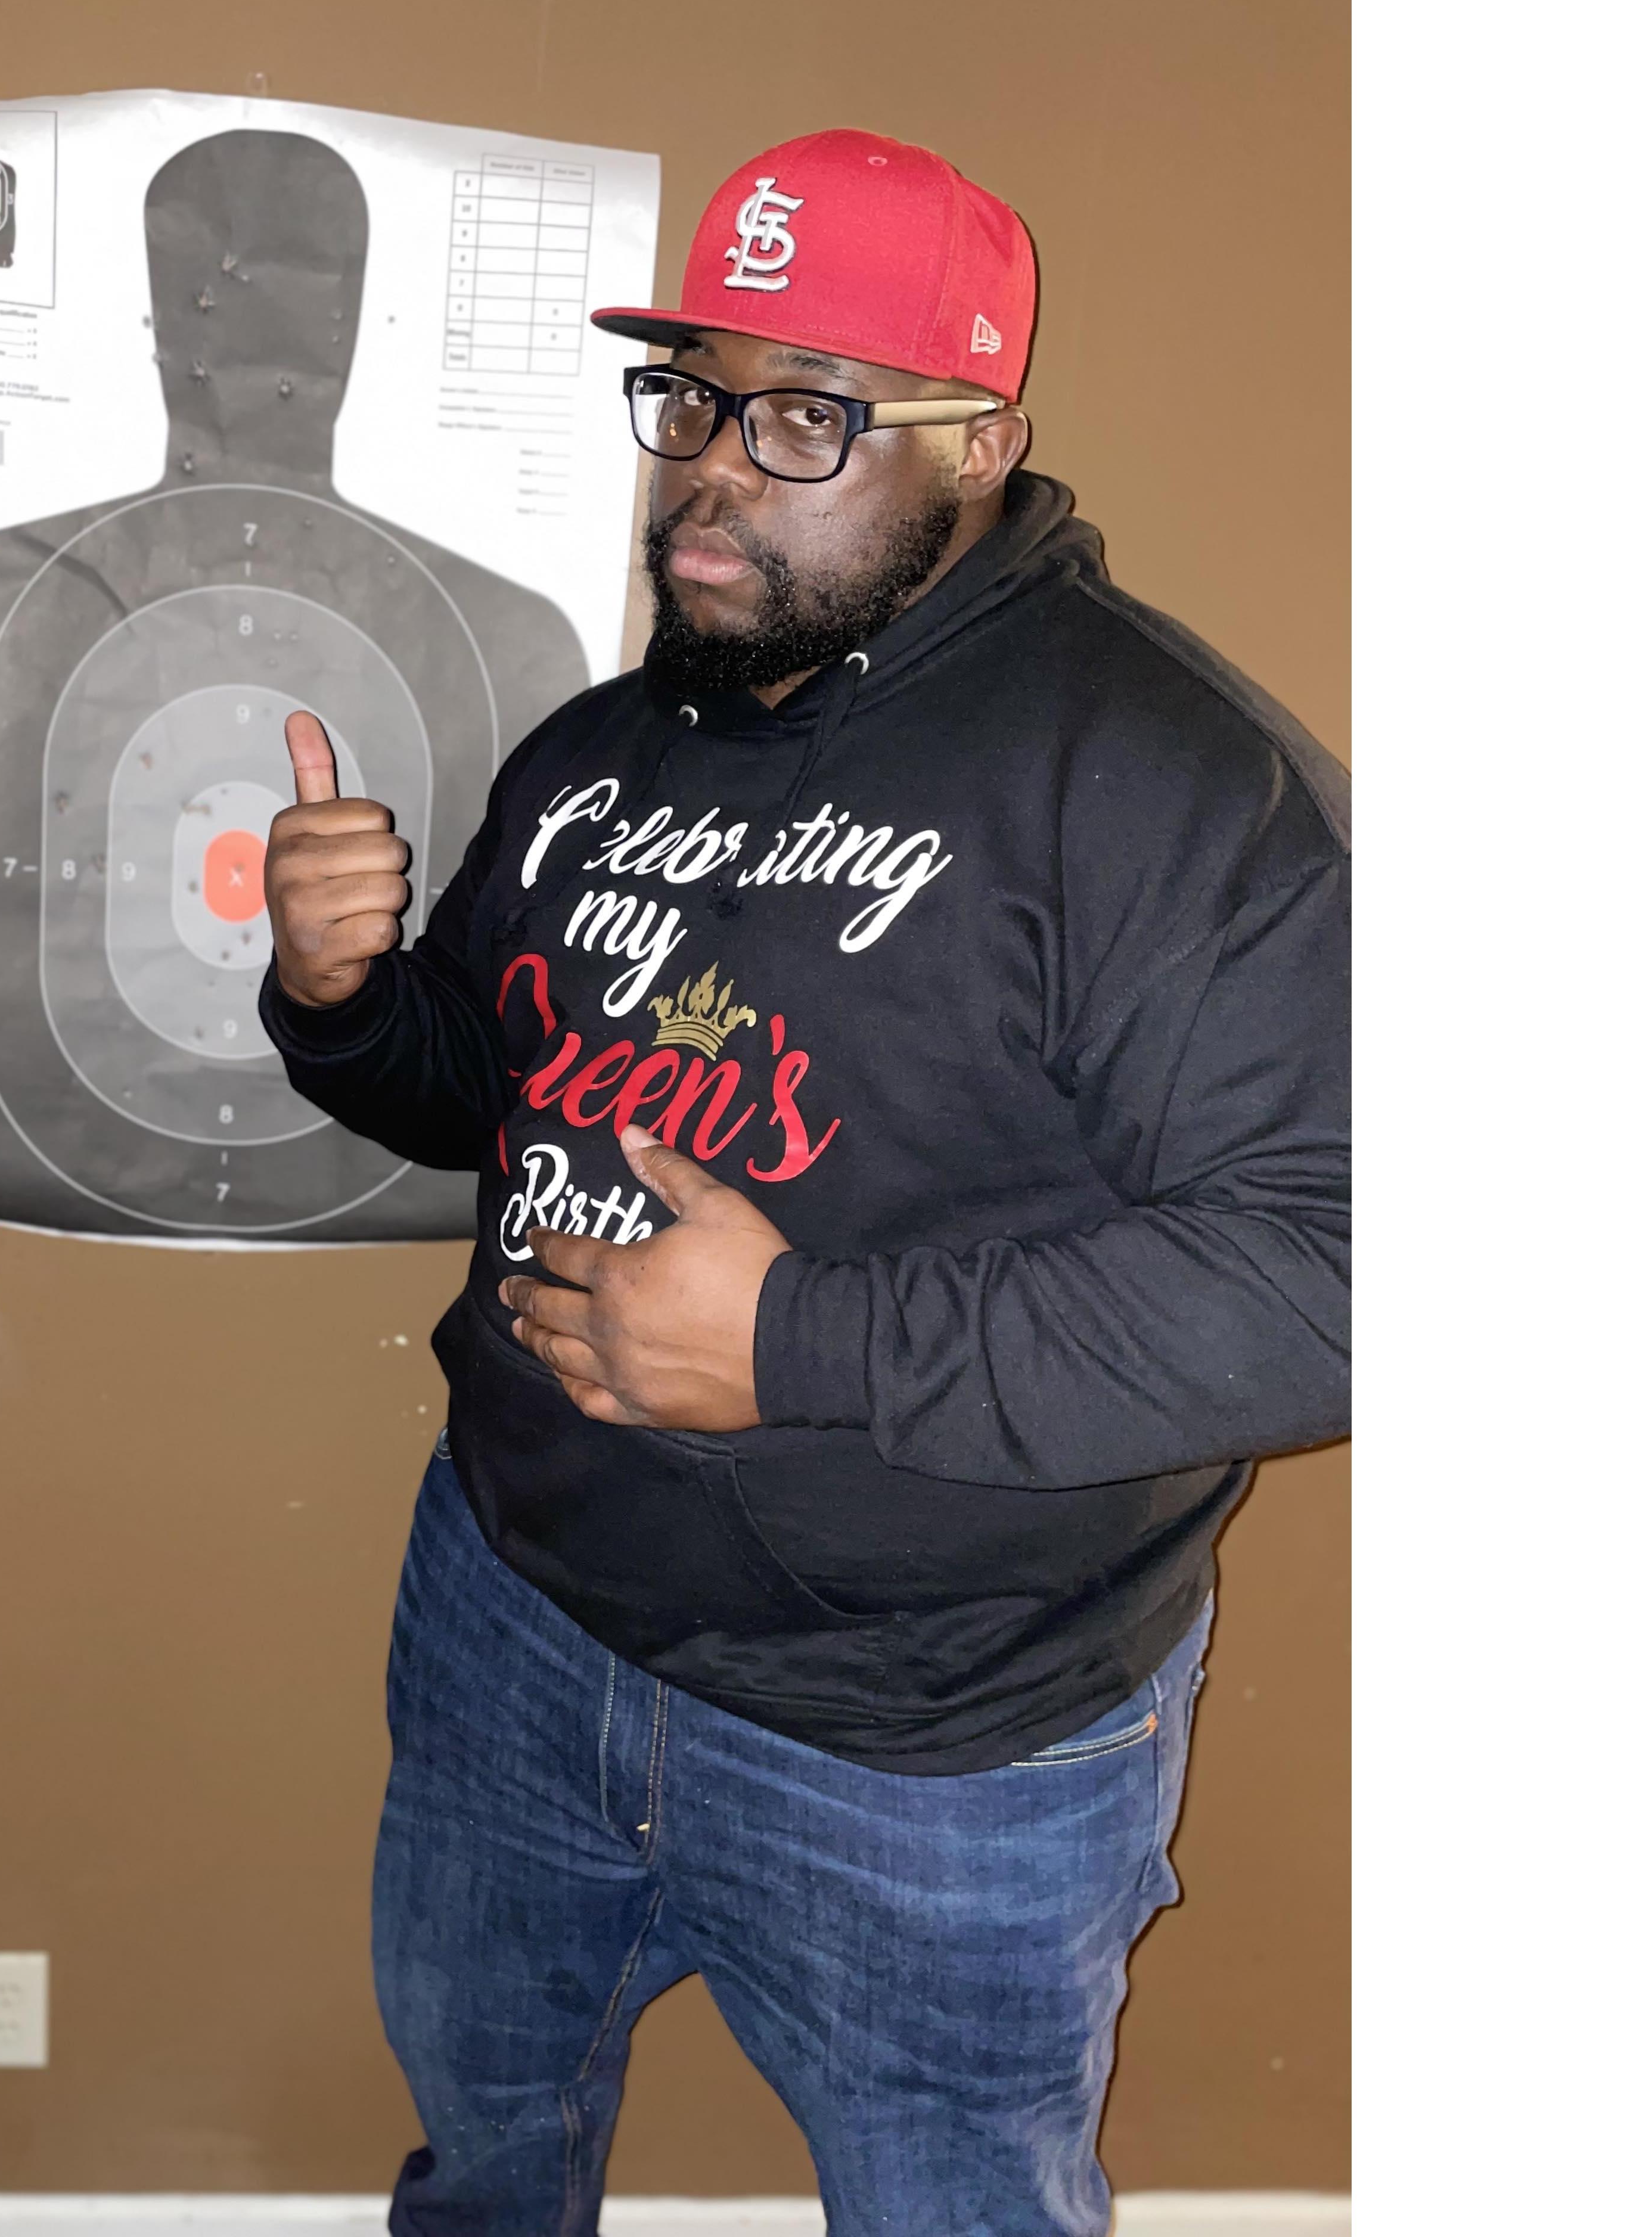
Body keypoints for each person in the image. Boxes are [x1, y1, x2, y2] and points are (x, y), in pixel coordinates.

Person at [257, 128, 1349, 2237]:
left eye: (806, 418)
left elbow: (1340, 1281)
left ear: (981, 440)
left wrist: (797, 1339)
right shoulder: (599, 752)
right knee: (484, 2150)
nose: (713, 475)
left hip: (929, 1740)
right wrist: (342, 997)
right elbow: (483, 1091)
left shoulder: (1170, 786)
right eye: (692, 399)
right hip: (513, 1616)